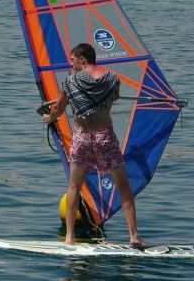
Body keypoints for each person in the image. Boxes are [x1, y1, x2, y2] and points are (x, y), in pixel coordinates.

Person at [42, 42, 145, 248]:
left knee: (74, 186)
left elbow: (59, 111)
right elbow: (113, 97)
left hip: (82, 137)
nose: (71, 66)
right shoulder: (112, 79)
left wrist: (49, 117)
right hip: (104, 136)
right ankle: (133, 237)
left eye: (72, 61)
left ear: (83, 60)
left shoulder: (70, 83)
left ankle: (70, 238)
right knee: (123, 187)